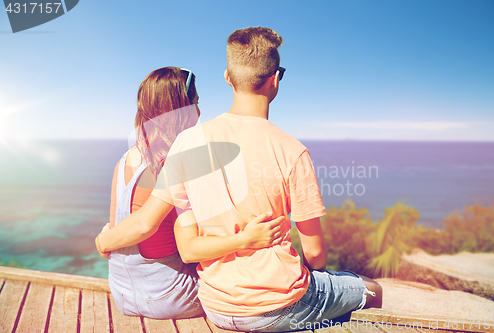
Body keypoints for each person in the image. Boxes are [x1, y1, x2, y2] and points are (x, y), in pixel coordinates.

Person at [151, 27, 383, 332]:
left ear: (227, 77)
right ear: (275, 79)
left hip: (217, 306)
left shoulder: (185, 143)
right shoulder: (291, 150)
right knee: (372, 290)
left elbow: (189, 250)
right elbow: (314, 253)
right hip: (279, 306)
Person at [95, 67, 285, 320]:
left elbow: (129, 220)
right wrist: (247, 239)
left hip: (123, 295)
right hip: (170, 295)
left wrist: (104, 240)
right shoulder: (178, 161)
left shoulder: (126, 159)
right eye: (195, 103)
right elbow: (144, 224)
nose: (198, 111)